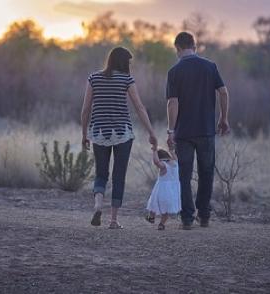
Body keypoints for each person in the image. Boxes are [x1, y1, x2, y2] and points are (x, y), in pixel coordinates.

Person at [81, 47, 157, 229]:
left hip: (99, 132)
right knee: (119, 175)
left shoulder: (94, 78)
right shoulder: (127, 80)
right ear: (123, 62)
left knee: (101, 172)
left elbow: (85, 110)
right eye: (129, 62)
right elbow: (139, 107)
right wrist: (151, 132)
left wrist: (84, 134)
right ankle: (113, 220)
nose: (130, 65)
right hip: (122, 133)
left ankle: (98, 205)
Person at [166, 32, 230, 230]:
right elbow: (223, 92)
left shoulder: (174, 71)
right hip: (206, 130)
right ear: (194, 45)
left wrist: (170, 130)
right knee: (206, 172)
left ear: (177, 48)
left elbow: (172, 103)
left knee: (183, 175)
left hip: (184, 132)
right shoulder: (210, 67)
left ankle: (187, 218)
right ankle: (204, 216)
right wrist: (223, 118)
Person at [145, 147, 181, 230]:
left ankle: (151, 217)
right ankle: (161, 224)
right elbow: (173, 154)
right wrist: (171, 149)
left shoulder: (163, 165)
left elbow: (156, 162)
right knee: (166, 209)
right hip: (173, 191)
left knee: (154, 202)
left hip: (162, 190)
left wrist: (154, 151)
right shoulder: (175, 163)